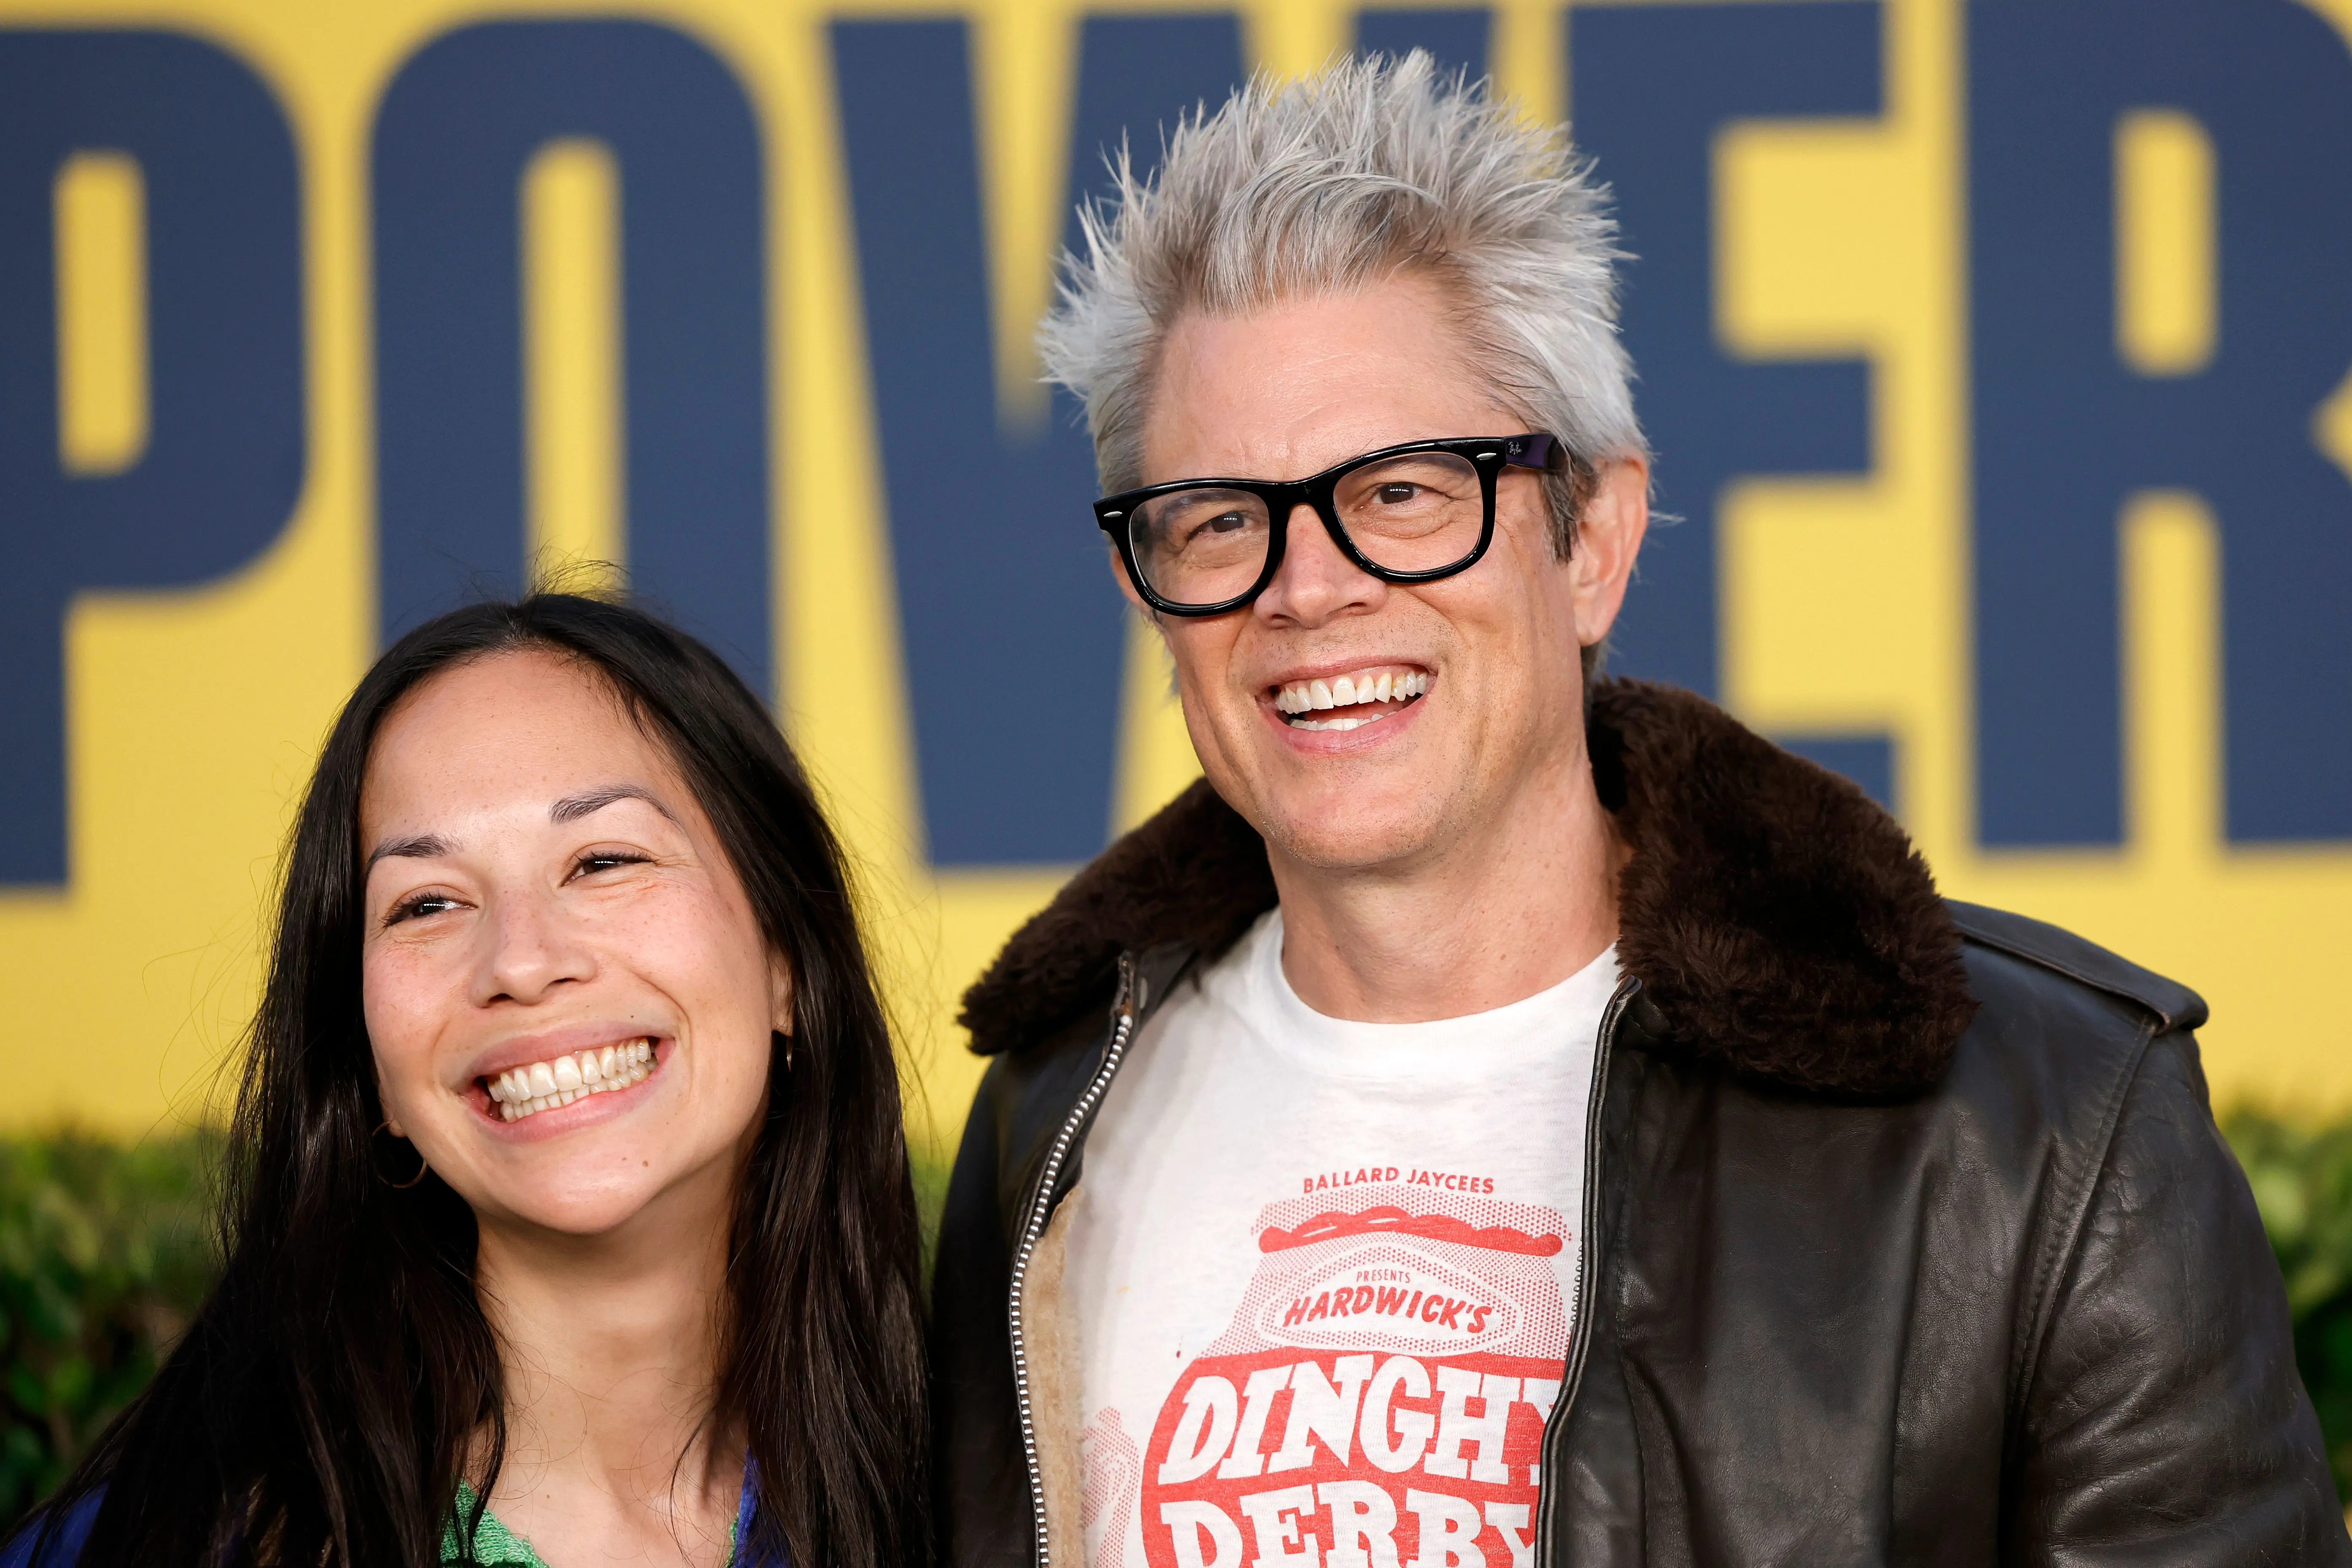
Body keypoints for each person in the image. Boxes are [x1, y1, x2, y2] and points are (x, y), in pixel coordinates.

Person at [929, 53, 2345, 1567]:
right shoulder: (1053, 1114)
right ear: (1152, 592)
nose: (1307, 588)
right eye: (1216, 521)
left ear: (1591, 537)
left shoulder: (2043, 1127)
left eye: (1403, 492)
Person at [7, 595, 928, 1567]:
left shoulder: (987, 1492)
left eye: (604, 860)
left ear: (786, 959)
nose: (521, 962)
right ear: (370, 1071)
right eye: (429, 902)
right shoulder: (161, 1547)